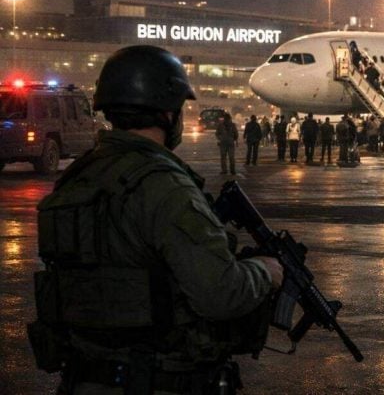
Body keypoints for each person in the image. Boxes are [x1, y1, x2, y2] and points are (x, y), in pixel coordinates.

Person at [29, 45, 283, 393]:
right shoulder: (164, 186)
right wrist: (266, 272)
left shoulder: (77, 178)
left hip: (83, 378)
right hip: (155, 379)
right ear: (168, 113)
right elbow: (219, 294)